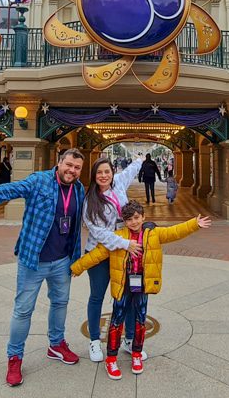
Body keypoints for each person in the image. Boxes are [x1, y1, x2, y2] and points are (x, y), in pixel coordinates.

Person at [0, 148, 86, 387]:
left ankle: (56, 345)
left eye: (77, 168)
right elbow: (11, 189)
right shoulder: (39, 181)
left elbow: (77, 226)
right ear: (59, 163)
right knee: (23, 310)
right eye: (68, 165)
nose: (72, 171)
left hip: (62, 261)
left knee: (60, 303)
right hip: (33, 259)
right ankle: (14, 357)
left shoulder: (78, 189)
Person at [72, 202, 211, 379]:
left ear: (143, 217)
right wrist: (77, 267)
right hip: (123, 285)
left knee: (140, 319)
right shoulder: (117, 237)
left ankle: (137, 353)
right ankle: (111, 359)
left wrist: (194, 224)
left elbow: (174, 231)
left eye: (137, 218)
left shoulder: (153, 234)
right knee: (116, 321)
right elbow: (97, 253)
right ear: (124, 221)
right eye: (129, 219)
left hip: (142, 285)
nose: (134, 222)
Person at [82, 155, 145, 363]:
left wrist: (139, 160)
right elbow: (98, 232)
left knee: (125, 297)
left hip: (122, 254)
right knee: (97, 296)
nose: (103, 176)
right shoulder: (89, 200)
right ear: (94, 175)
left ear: (112, 172)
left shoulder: (118, 183)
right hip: (100, 253)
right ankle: (94, 341)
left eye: (107, 171)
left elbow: (130, 172)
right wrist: (126, 243)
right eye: (99, 172)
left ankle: (128, 339)